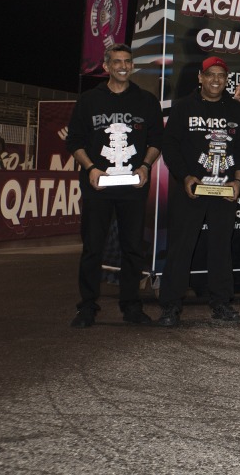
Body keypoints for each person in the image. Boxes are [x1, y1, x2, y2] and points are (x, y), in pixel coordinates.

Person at [66, 44, 164, 328]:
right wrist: (92, 168)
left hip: (132, 188)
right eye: (117, 61)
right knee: (92, 248)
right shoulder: (88, 100)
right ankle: (87, 306)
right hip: (98, 186)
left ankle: (131, 306)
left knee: (132, 248)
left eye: (128, 61)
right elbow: (74, 142)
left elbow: (156, 140)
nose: (123, 66)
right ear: (106, 66)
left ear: (132, 66)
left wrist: (145, 166)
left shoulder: (146, 101)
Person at [158, 56, 240, 327]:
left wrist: (238, 180)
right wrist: (184, 177)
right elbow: (170, 146)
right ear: (200, 77)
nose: (216, 80)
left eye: (221, 75)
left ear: (226, 80)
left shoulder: (235, 110)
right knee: (180, 248)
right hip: (192, 189)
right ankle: (171, 306)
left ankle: (221, 302)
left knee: (221, 247)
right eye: (210, 75)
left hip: (224, 190)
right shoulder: (184, 107)